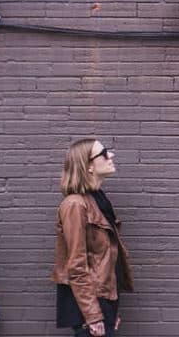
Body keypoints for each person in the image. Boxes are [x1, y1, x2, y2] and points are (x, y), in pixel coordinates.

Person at [52, 139, 134, 337]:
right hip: (89, 307)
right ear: (88, 166)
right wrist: (93, 315)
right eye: (104, 153)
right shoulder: (75, 205)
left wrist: (111, 308)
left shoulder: (99, 201)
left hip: (103, 302)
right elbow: (77, 266)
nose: (111, 156)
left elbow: (106, 261)